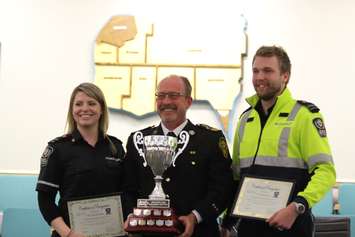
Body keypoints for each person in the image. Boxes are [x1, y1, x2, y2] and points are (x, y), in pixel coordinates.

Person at [221, 46, 336, 237]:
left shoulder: (304, 116)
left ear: (285, 76)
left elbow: (325, 171)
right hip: (249, 229)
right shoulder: (245, 120)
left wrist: (296, 207)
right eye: (256, 71)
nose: (259, 77)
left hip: (291, 226)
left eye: (268, 71)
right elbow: (236, 177)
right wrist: (227, 221)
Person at [123, 75, 234, 237]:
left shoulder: (210, 140)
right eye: (161, 96)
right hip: (147, 233)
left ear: (188, 101)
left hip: (196, 232)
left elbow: (223, 189)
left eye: (174, 96)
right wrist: (131, 217)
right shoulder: (138, 140)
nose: (166, 101)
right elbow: (127, 188)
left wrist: (195, 217)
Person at [36, 82, 126, 237]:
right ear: (72, 110)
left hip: (112, 233)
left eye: (92, 103)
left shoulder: (116, 147)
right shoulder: (58, 148)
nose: (85, 109)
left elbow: (126, 193)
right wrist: (68, 233)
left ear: (101, 110)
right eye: (78, 104)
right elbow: (45, 200)